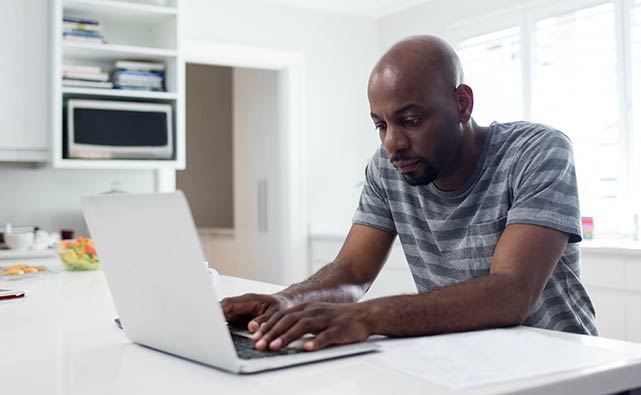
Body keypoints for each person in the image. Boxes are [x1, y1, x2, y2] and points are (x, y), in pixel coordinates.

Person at [221, 35, 597, 352]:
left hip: (560, 365)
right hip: (464, 361)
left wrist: (369, 316)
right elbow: (351, 271)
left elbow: (511, 293)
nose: (392, 144)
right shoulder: (389, 170)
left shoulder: (537, 152)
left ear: (462, 104)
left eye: (411, 121)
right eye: (380, 125)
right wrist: (284, 302)